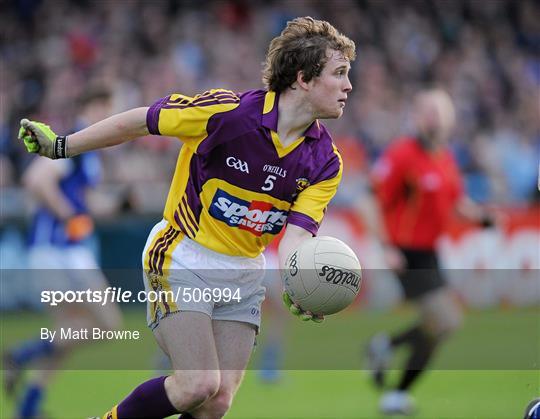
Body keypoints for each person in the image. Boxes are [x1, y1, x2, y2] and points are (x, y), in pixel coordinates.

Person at [18, 17, 355, 419]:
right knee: (197, 384)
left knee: (217, 403)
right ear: (303, 78)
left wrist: (299, 284)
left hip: (244, 273)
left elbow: (297, 237)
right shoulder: (227, 114)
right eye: (340, 74)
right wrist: (61, 146)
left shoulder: (325, 162)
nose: (349, 86)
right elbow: (140, 121)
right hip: (182, 257)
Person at [362, 89, 495, 415]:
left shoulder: (445, 158)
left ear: (450, 118)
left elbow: (456, 204)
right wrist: (387, 246)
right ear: (417, 116)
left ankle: (386, 351)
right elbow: (368, 200)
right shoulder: (401, 153)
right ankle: (396, 389)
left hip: (430, 253)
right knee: (445, 320)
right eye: (428, 110)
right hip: (406, 253)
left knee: (442, 324)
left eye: (440, 111)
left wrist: (484, 218)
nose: (434, 117)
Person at [4, 87, 122, 418]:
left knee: (67, 333)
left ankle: (27, 406)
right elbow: (36, 179)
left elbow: (87, 202)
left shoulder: (88, 149)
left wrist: (116, 204)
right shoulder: (76, 141)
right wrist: (69, 215)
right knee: (106, 324)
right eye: (106, 108)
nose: (109, 117)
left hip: (62, 251)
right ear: (93, 106)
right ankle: (23, 354)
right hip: (58, 250)